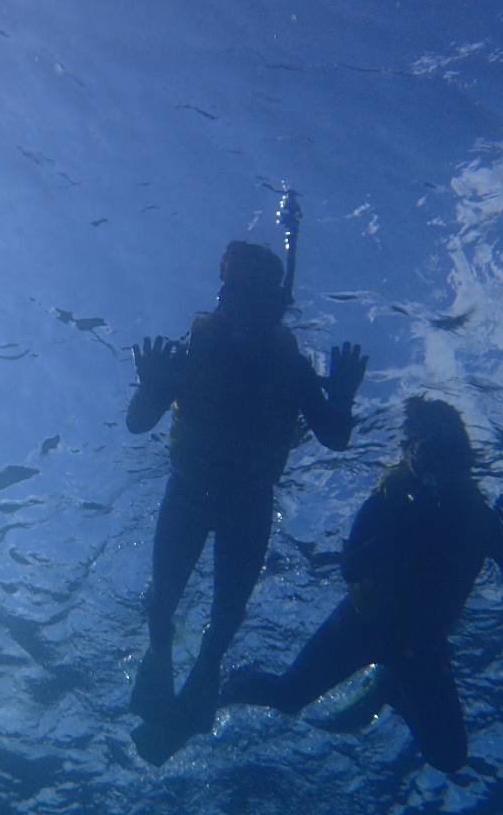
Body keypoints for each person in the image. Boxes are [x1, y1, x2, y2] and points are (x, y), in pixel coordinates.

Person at [127, 240, 368, 763]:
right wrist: (149, 387)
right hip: (191, 492)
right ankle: (161, 655)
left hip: (247, 502)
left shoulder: (291, 367)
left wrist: (342, 397)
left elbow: (333, 436)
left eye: (255, 298)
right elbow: (138, 422)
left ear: (275, 306)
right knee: (164, 601)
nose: (241, 309)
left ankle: (201, 676)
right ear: (222, 297)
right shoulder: (194, 353)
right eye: (233, 294)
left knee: (226, 615)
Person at [221, 396, 503, 773]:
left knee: (450, 757)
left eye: (448, 453)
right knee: (289, 695)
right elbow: (351, 569)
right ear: (411, 458)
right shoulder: (389, 502)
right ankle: (222, 688)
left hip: (422, 643)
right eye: (427, 452)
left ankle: (390, 687)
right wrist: (398, 531)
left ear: (463, 458)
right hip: (363, 623)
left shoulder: (477, 517)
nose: (438, 469)